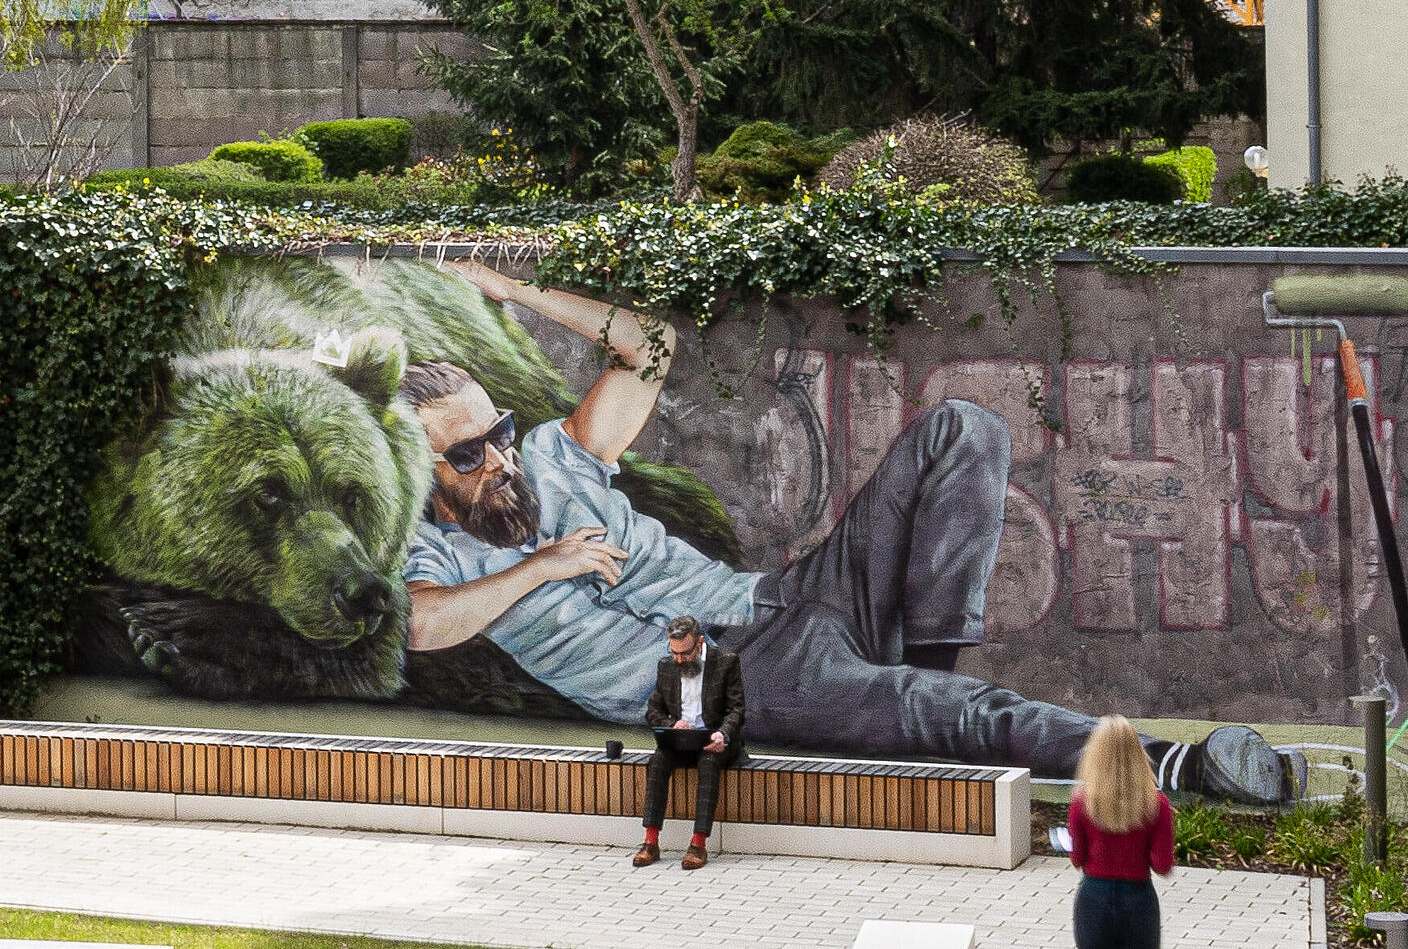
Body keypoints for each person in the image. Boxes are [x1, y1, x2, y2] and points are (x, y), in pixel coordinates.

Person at [400, 261, 1291, 804]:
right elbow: (423, 625)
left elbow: (652, 350)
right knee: (946, 715)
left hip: (780, 602)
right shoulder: (433, 549)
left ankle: (914, 688)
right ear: (424, 468)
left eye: (501, 431)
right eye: (472, 453)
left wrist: (514, 291)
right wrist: (545, 566)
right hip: (712, 681)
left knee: (964, 431)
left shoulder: (559, 456)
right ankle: (1172, 766)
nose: (502, 459)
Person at [634, 616, 744, 870]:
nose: (680, 659)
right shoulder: (666, 665)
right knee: (657, 761)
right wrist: (672, 725)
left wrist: (722, 734)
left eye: (685, 653)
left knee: (708, 765)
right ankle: (650, 842)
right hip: (680, 740)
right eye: (675, 653)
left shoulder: (725, 662)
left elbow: (737, 709)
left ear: (700, 643)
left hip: (713, 741)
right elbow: (652, 711)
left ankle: (698, 844)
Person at [1066, 716, 1175, 949]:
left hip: (1094, 896)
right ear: (1138, 755)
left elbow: (1078, 859)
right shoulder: (1157, 804)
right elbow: (1162, 865)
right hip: (1138, 899)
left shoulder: (1082, 802)